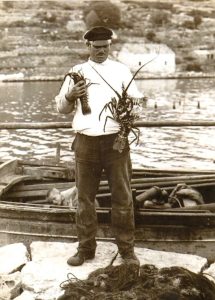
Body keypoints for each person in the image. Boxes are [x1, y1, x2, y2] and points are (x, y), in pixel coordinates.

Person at [55, 26, 143, 267]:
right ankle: (85, 249)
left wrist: (130, 111)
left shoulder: (122, 70)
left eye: (106, 47)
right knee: (84, 198)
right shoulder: (76, 71)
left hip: (117, 142)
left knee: (122, 197)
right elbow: (61, 108)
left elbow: (138, 103)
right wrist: (71, 95)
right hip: (85, 143)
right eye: (97, 47)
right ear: (88, 47)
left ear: (110, 46)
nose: (102, 51)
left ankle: (126, 251)